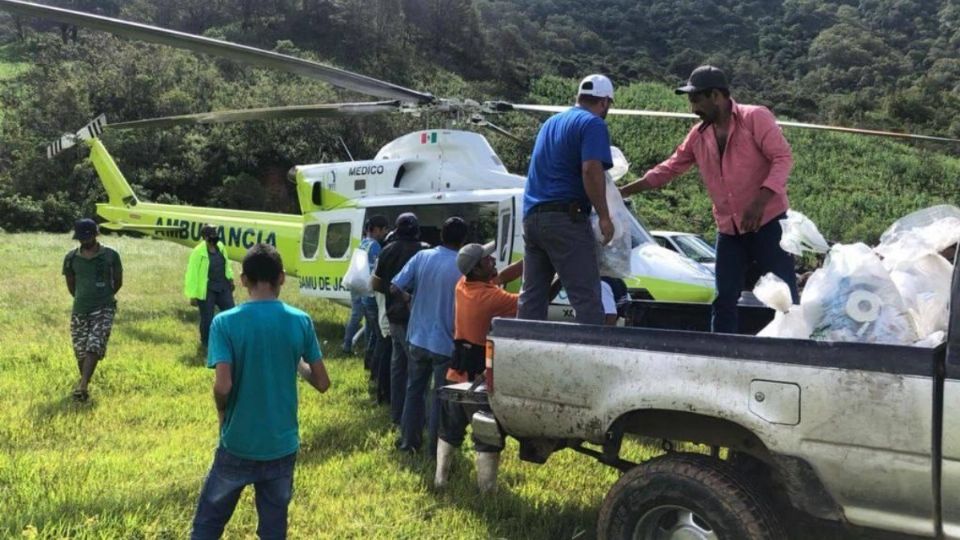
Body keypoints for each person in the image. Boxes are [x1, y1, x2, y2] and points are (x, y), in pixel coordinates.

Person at [619, 65, 798, 333]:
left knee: (784, 293)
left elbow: (783, 158)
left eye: (695, 100)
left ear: (716, 96)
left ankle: (795, 348)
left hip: (769, 222)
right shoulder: (699, 135)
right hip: (729, 228)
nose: (693, 108)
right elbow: (669, 168)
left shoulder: (755, 118)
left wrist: (760, 201)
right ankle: (720, 352)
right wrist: (621, 192)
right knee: (724, 296)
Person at [190, 243, 330, 539]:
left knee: (208, 524)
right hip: (281, 444)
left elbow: (223, 385)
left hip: (238, 442)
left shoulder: (224, 323)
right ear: (282, 277)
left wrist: (221, 410)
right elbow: (322, 382)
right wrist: (296, 364)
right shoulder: (300, 320)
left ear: (243, 280)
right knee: (273, 528)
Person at [518, 74, 616, 326]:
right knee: (587, 298)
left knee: (532, 298)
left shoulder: (550, 123)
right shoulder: (592, 124)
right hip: (565, 218)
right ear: (604, 102)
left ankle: (525, 354)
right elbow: (591, 169)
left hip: (532, 219)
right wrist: (604, 216)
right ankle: (590, 359)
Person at [435, 242, 522, 493]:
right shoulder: (491, 298)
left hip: (455, 374)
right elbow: (529, 302)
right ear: (476, 269)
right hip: (479, 380)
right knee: (486, 434)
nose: (493, 260)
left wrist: (531, 262)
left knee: (450, 429)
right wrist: (556, 277)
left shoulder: (463, 285)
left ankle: (440, 479)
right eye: (487, 260)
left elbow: (500, 277)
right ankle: (487, 491)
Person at [391, 217, 468, 453]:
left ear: (441, 234)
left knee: (414, 390)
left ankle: (408, 442)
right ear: (463, 240)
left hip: (417, 337)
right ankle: (435, 449)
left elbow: (395, 286)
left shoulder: (423, 256)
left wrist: (409, 301)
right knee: (438, 398)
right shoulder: (462, 266)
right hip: (444, 343)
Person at [370, 213, 428, 426]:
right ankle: (416, 419)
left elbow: (374, 284)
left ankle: (396, 415)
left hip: (394, 317)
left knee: (398, 367)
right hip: (419, 318)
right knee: (417, 371)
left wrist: (392, 291)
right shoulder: (425, 250)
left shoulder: (387, 251)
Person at [62, 218, 122, 402]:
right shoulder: (71, 258)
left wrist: (103, 297)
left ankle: (82, 385)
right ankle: (84, 386)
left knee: (94, 343)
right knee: (81, 350)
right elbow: (71, 286)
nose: (83, 242)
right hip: (80, 308)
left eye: (87, 238)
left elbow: (118, 282)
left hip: (104, 306)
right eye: (80, 239)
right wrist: (83, 298)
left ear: (96, 235)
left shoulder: (111, 256)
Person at [184, 224, 235, 348]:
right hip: (207, 289)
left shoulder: (221, 247)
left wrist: (231, 279)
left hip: (223, 286)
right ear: (206, 237)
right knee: (207, 318)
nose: (216, 236)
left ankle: (231, 340)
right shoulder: (198, 252)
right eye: (213, 234)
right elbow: (192, 274)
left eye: (216, 233)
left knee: (232, 313)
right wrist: (193, 295)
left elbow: (226, 264)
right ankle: (206, 343)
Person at [360, 215, 389, 375]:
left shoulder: (363, 243)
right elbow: (376, 272)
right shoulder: (376, 246)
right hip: (372, 297)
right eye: (384, 229)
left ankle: (368, 363)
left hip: (364, 295)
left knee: (371, 333)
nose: (385, 233)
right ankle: (376, 372)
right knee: (380, 337)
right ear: (376, 229)